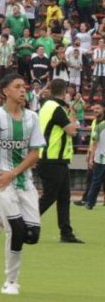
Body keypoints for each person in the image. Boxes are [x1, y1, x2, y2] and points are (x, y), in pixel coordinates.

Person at [0, 72, 45, 296]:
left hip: (24, 180)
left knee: (32, 236)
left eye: (24, 86)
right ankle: (11, 281)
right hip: (1, 182)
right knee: (16, 230)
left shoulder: (32, 118)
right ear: (5, 91)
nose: (23, 90)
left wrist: (14, 172)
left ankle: (0, 217)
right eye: (17, 86)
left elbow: (35, 153)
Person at [36, 78, 84, 243]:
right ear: (65, 92)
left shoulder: (46, 105)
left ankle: (66, 232)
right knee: (49, 197)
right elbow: (71, 130)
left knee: (64, 197)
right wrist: (71, 111)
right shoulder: (57, 108)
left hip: (54, 158)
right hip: (52, 158)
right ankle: (24, 223)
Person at [79, 105, 105, 209]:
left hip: (100, 158)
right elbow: (94, 142)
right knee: (95, 182)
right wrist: (90, 157)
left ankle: (90, 203)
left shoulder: (100, 125)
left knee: (96, 182)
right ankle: (89, 202)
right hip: (100, 158)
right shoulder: (99, 125)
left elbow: (94, 142)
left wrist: (91, 158)